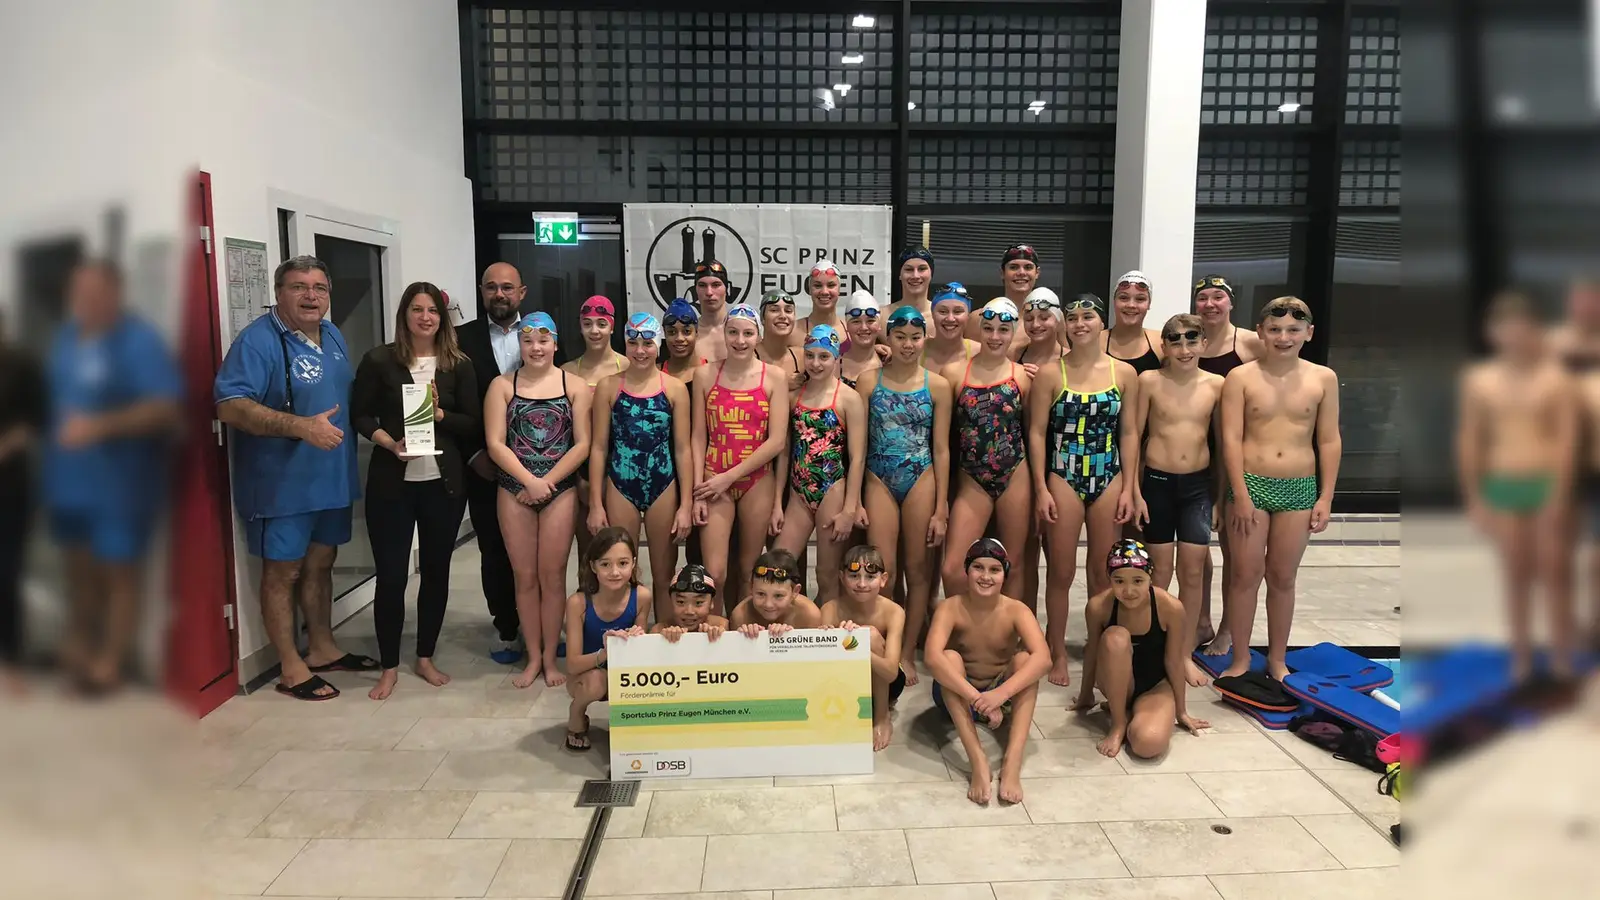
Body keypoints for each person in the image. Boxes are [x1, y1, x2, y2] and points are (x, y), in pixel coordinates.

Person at [216, 255, 370, 700]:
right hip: (280, 484)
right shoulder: (258, 342)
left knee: (322, 564)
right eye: (299, 286)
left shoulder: (333, 334)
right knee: (283, 572)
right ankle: (290, 665)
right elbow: (230, 405)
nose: (311, 295)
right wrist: (300, 426)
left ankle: (322, 648)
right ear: (279, 293)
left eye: (319, 288)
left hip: (330, 479)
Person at [43, 261, 182, 693]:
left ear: (115, 294)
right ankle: (81, 647)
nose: (85, 300)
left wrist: (99, 427)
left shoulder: (139, 342)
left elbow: (164, 407)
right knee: (78, 569)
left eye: (94, 292)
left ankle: (111, 660)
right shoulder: (67, 339)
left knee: (118, 572)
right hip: (69, 480)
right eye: (78, 291)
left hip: (121, 482)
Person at [351, 282, 480, 700]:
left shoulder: (457, 364)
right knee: (390, 578)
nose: (425, 317)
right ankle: (389, 665)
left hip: (442, 485)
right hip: (392, 484)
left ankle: (424, 655)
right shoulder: (379, 360)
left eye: (433, 311)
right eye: (417, 309)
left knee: (436, 574)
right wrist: (389, 443)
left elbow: (473, 423)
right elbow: (360, 414)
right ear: (404, 314)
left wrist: (440, 412)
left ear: (443, 318)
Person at [1218, 297, 1342, 681]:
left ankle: (1276, 659)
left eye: (1293, 330)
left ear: (1309, 333)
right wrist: (1239, 494)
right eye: (1274, 329)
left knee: (1283, 577)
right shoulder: (1241, 377)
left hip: (1300, 488)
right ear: (1260, 332)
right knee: (1244, 575)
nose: (1283, 337)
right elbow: (1230, 438)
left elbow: (1329, 440)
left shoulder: (1323, 378)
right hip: (1251, 485)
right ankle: (1240, 658)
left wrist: (1325, 496)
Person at [1459, 291, 1579, 681]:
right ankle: (1522, 657)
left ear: (1533, 332)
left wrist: (1559, 494)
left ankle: (1562, 657)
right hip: (1503, 483)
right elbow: (1471, 440)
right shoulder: (1480, 380)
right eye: (1504, 329)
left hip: (1545, 481)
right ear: (1493, 334)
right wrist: (1475, 497)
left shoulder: (1555, 379)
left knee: (1555, 573)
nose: (1513, 336)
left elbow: (1566, 440)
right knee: (1515, 574)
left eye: (1521, 329)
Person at [1029, 291, 1140, 686]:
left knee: (1101, 570)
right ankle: (1056, 650)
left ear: (1100, 322)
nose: (1079, 324)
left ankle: (1097, 646)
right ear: (1064, 325)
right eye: (1072, 318)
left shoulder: (1123, 373)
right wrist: (1041, 488)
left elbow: (1129, 433)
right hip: (1064, 474)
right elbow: (1038, 433)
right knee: (1060, 571)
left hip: (1108, 475)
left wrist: (1130, 487)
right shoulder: (1049, 373)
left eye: (1087, 317)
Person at [485, 311, 592, 689]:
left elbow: (583, 444)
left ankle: (551, 658)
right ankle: (532, 656)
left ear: (556, 344)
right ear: (520, 345)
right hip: (514, 488)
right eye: (528, 340)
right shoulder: (502, 385)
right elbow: (496, 443)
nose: (536, 347)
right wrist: (529, 480)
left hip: (558, 490)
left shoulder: (574, 385)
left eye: (543, 340)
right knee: (525, 577)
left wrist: (546, 481)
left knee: (551, 576)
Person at [859, 306, 952, 683]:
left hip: (921, 476)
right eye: (900, 337)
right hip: (878, 476)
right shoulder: (868, 381)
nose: (908, 344)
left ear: (924, 338)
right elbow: (859, 444)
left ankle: (910, 650)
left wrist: (942, 506)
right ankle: (890, 651)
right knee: (885, 570)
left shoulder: (938, 385)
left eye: (915, 337)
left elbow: (942, 448)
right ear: (888, 339)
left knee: (919, 571)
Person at [1131, 314, 1224, 686]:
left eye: (1191, 340)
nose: (1184, 349)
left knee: (1192, 570)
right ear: (1164, 347)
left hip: (1198, 489)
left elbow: (1222, 445)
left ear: (1203, 343)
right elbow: (1134, 436)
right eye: (1175, 341)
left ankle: (1183, 653)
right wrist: (1133, 490)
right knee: (1160, 572)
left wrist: (1218, 499)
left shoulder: (1217, 385)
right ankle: (1156, 646)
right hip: (1156, 483)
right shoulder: (1149, 381)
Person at [924, 538, 1051, 805]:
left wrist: (999, 695)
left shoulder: (1017, 610)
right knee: (949, 658)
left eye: (994, 570)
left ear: (1005, 574)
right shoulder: (950, 607)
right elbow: (932, 659)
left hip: (998, 695)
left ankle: (1012, 763)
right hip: (958, 693)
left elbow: (1044, 660)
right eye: (978, 568)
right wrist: (978, 700)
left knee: (1026, 660)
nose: (985, 576)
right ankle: (978, 760)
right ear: (966, 571)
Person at [588, 312, 694, 623]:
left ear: (658, 345)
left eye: (647, 342)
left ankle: (664, 638)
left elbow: (683, 449)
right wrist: (595, 503)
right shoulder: (609, 387)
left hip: (663, 484)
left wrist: (686, 504)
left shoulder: (673, 389)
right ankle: (624, 642)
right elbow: (598, 447)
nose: (640, 350)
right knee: (620, 570)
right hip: (620, 483)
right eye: (633, 342)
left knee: (663, 573)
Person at [1072, 539, 1210, 759]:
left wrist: (1181, 711)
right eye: (1119, 581)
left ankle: (1132, 713)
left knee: (1147, 744)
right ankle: (1118, 724)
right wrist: (1085, 694)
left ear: (1150, 578)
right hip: (1116, 684)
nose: (1129, 590)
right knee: (1116, 638)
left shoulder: (1170, 608)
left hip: (1155, 686)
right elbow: (1092, 653)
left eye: (1138, 580)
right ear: (1110, 579)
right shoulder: (1099, 607)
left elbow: (1174, 661)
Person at [692, 303, 789, 615]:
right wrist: (698, 491)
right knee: (715, 574)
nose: (740, 340)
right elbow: (697, 437)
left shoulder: (774, 377)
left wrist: (730, 477)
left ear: (759, 336)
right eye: (733, 332)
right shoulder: (705, 374)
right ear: (724, 334)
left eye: (748, 333)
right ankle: (715, 632)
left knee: (749, 571)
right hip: (712, 479)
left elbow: (776, 441)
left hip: (755, 480)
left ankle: (743, 636)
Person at [457, 262, 529, 664]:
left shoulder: (542, 331)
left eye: (506, 288)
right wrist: (472, 454)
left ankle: (542, 624)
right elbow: (450, 400)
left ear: (522, 292)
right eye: (490, 288)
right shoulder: (458, 339)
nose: (498, 295)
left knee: (540, 553)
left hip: (541, 462)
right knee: (494, 548)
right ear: (482, 292)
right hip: (484, 464)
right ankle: (506, 626)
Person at [941, 298, 1033, 600]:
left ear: (1013, 333)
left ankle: (1008, 636)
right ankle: (961, 631)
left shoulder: (1022, 376)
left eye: (1003, 330)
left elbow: (1032, 432)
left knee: (1014, 565)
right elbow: (945, 435)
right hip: (971, 479)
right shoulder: (954, 373)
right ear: (979, 330)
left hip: (1015, 475)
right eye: (989, 329)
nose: (995, 336)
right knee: (953, 568)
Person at [1190, 274, 1259, 656]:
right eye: (1203, 298)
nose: (1211, 304)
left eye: (1218, 297)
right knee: (1197, 547)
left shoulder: (1248, 342)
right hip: (1199, 453)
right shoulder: (1188, 342)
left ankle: (1228, 630)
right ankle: (1201, 620)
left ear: (1231, 303)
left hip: (1237, 455)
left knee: (1233, 550)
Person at [774, 326, 866, 606]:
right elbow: (784, 453)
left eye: (824, 356)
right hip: (798, 493)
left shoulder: (849, 398)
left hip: (833, 490)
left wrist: (850, 508)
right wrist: (778, 502)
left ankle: (826, 639)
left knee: (826, 574)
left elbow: (858, 457)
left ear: (837, 358)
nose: (815, 363)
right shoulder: (793, 397)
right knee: (779, 566)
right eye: (810, 355)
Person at [561, 528, 649, 751]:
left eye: (622, 563)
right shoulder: (578, 603)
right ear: (593, 566)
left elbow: (642, 652)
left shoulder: (642, 596)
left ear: (633, 563)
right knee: (597, 680)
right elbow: (572, 664)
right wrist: (605, 652)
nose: (615, 572)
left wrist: (636, 640)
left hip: (624, 675)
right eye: (605, 564)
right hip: (585, 678)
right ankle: (577, 712)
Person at [820, 545, 906, 750]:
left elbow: (891, 672)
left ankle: (882, 717)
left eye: (870, 577)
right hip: (847, 683)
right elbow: (823, 665)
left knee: (871, 635)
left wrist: (856, 644)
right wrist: (833, 639)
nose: (861, 584)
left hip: (887, 682)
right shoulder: (829, 610)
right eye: (854, 576)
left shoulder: (893, 611)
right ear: (842, 577)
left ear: (883, 579)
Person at [0, 310, 43, 691]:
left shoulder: (22, 367)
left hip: (10, 489)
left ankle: (11, 662)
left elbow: (36, 421)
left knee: (6, 573)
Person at [730, 550, 824, 634]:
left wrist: (788, 638)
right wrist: (747, 639)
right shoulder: (741, 616)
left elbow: (814, 653)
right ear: (751, 588)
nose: (768, 604)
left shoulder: (809, 615)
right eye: (761, 594)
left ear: (795, 592)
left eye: (778, 595)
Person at [966, 244, 1041, 341]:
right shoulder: (978, 319)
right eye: (1014, 267)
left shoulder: (1046, 323)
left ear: (1037, 273)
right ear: (1002, 273)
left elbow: (1064, 355)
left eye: (1028, 267)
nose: (1021, 273)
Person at [1104, 271, 1164, 375]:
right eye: (1123, 298)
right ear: (1114, 302)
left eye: (1140, 299)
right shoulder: (1096, 342)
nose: (1131, 305)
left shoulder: (1160, 343)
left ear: (1149, 304)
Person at [561, 295, 627, 388]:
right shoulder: (567, 371)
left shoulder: (628, 367)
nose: (594, 331)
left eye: (601, 324)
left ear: (611, 327)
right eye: (587, 324)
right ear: (581, 327)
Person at [652, 563, 729, 640]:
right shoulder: (659, 631)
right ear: (671, 602)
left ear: (711, 602)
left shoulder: (721, 626)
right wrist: (664, 640)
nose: (689, 611)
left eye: (698, 603)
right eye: (681, 602)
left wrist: (718, 637)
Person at [755, 290, 804, 392]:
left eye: (788, 311)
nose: (783, 316)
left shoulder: (802, 357)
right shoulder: (749, 357)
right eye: (774, 310)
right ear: (762, 318)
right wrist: (782, 383)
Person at [924, 286, 980, 373]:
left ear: (968, 316)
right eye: (943, 312)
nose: (950, 319)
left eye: (958, 312)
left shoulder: (979, 353)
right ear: (932, 315)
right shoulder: (917, 351)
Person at [792, 259, 846, 344]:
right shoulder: (792, 332)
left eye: (831, 285)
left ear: (839, 289)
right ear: (809, 289)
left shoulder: (851, 330)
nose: (824, 292)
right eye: (817, 286)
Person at [1015, 287, 1065, 377]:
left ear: (1058, 320)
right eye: (1029, 319)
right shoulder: (1013, 356)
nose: (1035, 325)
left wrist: (1044, 381)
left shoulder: (1072, 360)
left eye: (1044, 318)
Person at [839, 290, 883, 388]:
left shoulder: (890, 363)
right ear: (847, 326)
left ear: (879, 325)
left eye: (870, 321)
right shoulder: (833, 365)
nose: (863, 327)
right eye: (856, 321)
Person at [692, 260, 732, 363]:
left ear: (726, 289)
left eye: (716, 285)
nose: (709, 292)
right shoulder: (688, 334)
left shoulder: (743, 332)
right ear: (695, 289)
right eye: (702, 285)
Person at [660, 298, 707, 384]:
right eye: (671, 332)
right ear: (665, 334)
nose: (679, 338)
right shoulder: (656, 375)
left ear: (696, 332)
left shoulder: (712, 373)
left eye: (687, 331)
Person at [890, 248, 935, 320]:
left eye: (922, 269)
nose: (915, 276)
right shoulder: (882, 317)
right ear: (900, 275)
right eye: (909, 269)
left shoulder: (942, 319)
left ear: (931, 274)